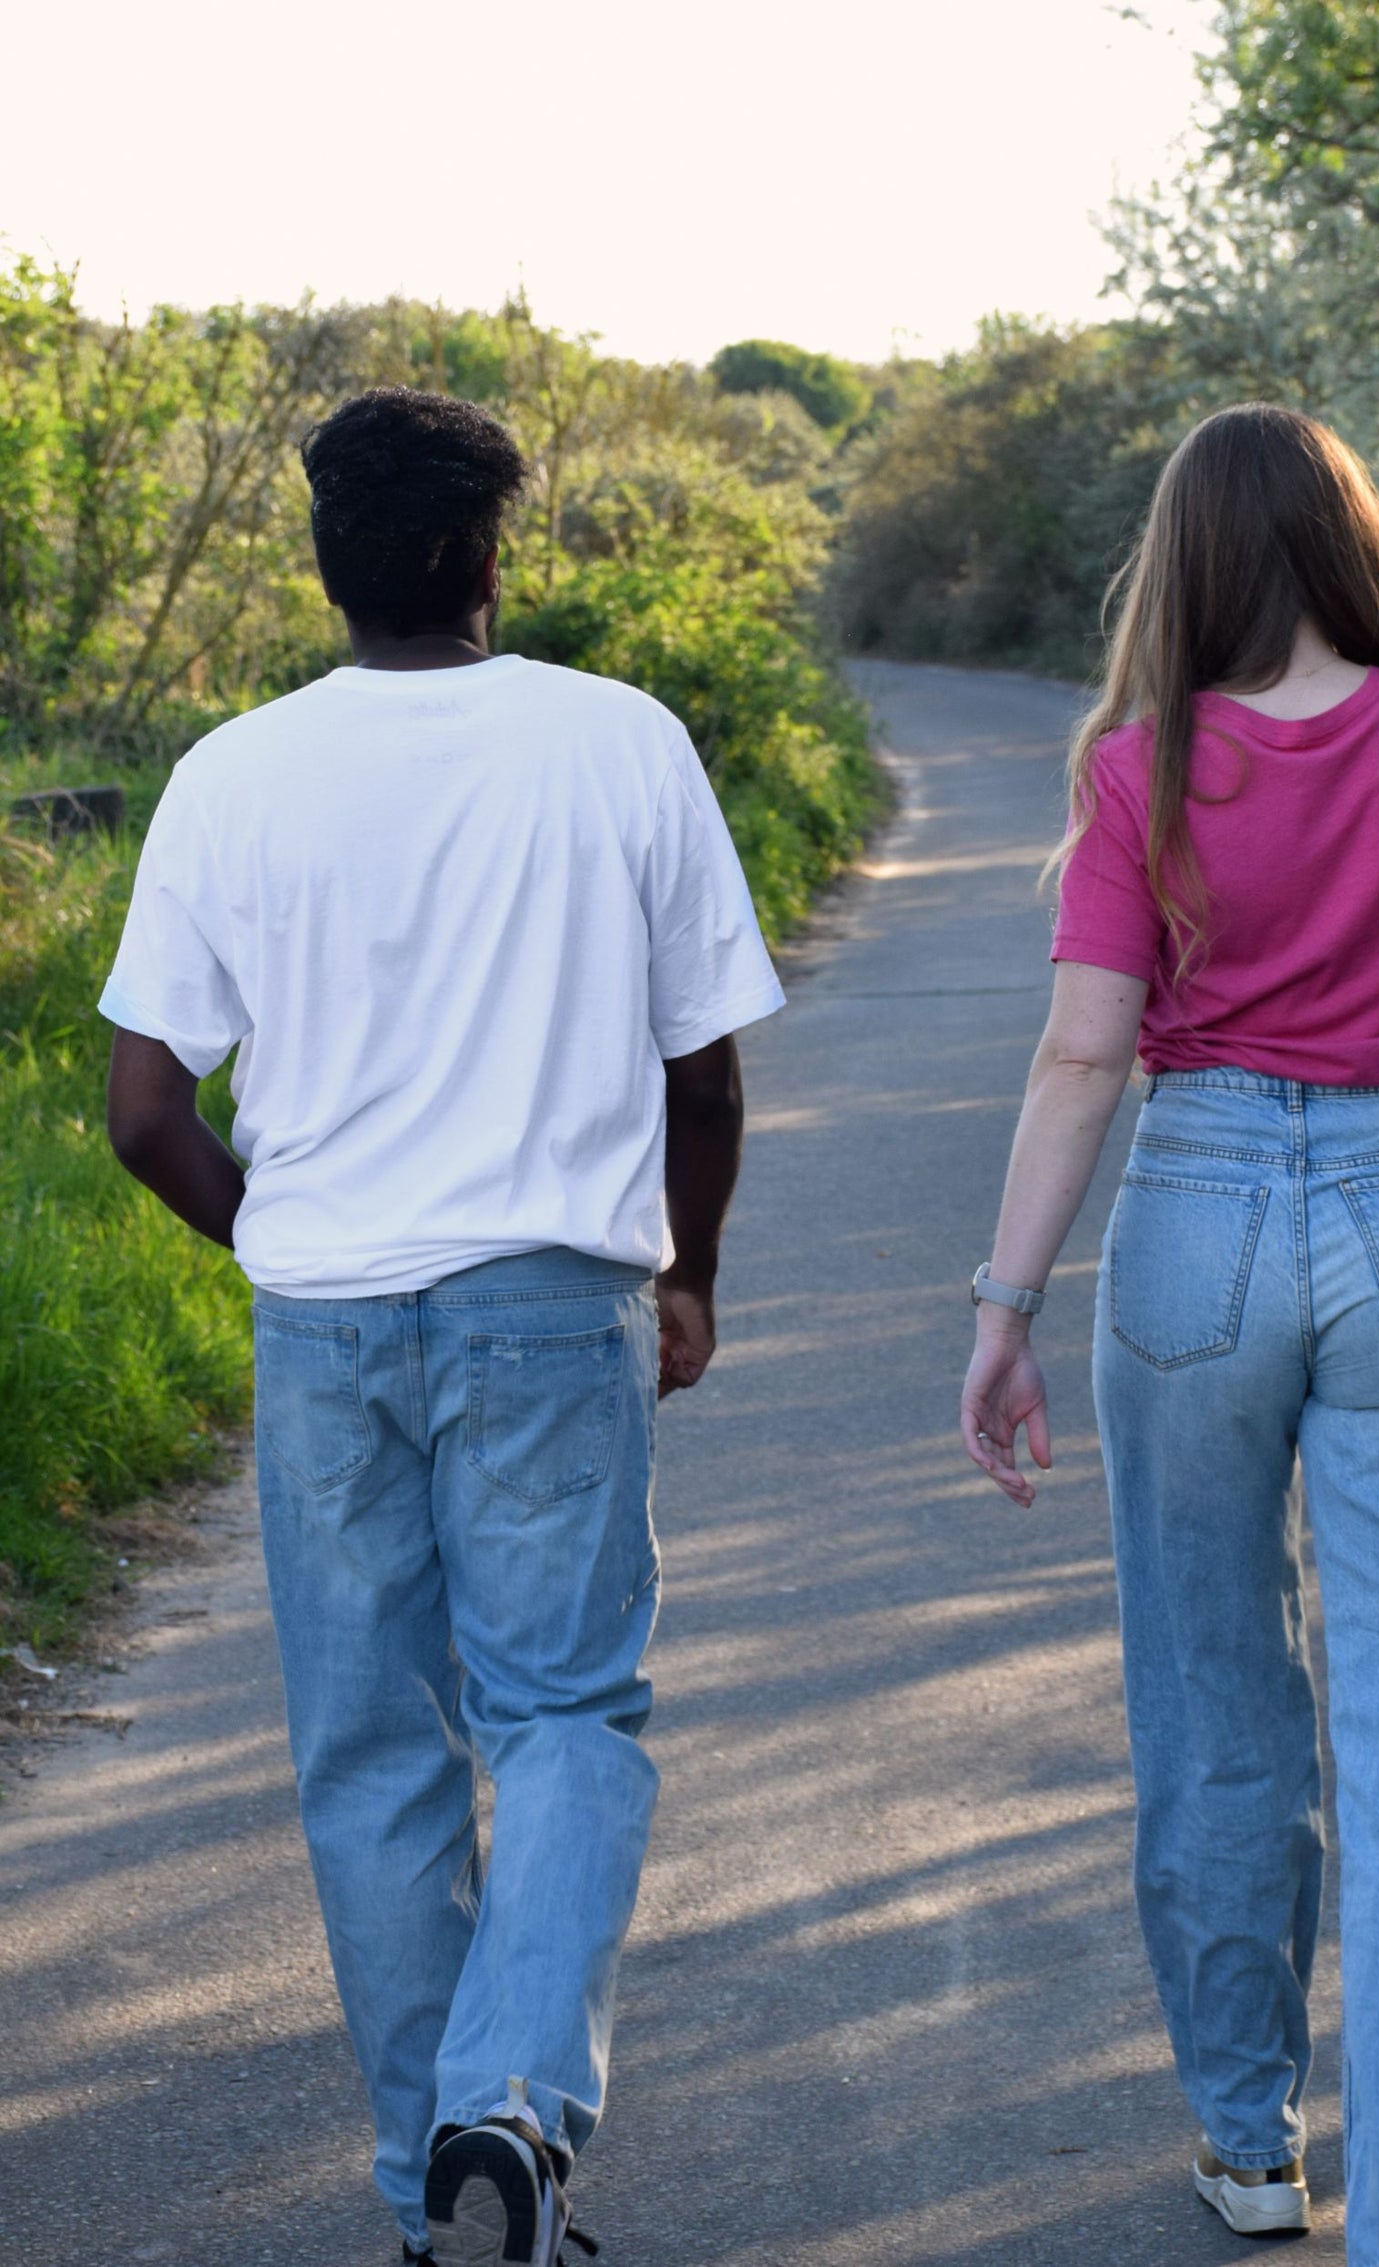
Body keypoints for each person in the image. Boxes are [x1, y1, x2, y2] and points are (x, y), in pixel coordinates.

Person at [101, 387, 784, 2267]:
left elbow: (146, 1110)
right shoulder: (621, 744)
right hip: (552, 1308)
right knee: (564, 1719)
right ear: (491, 556)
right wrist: (690, 1271)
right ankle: (512, 2113)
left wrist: (288, 1243)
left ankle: (438, 2200)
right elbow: (704, 1078)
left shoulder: (229, 777)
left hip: (325, 1320)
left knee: (372, 1755)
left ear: (326, 563)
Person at [960, 403, 1379, 2265]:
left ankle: (1252, 2144)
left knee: (1210, 1702)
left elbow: (1085, 1052)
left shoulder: (1144, 763)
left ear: (1181, 565)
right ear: (1355, 538)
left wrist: (1006, 1308)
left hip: (1196, 1220)